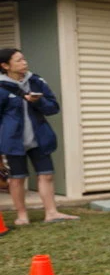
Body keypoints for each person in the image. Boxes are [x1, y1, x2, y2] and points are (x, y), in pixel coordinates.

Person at [0, 48, 77, 223]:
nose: (24, 62)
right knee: (17, 179)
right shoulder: (1, 87)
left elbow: (53, 108)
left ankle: (52, 213)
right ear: (5, 65)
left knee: (46, 175)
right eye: (19, 60)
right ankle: (22, 216)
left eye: (24, 59)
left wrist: (39, 101)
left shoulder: (36, 81)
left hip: (39, 138)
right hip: (13, 141)